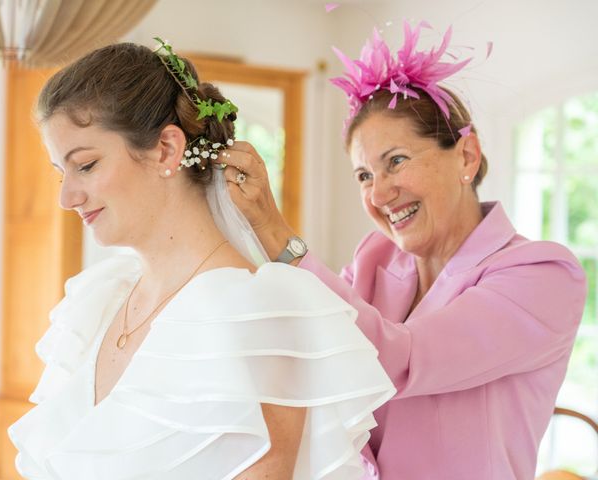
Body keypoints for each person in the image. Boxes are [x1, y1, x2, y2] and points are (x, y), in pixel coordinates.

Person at [7, 40, 396, 480]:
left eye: (87, 165)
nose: (66, 197)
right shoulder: (96, 304)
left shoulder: (259, 314)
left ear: (167, 149)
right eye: (61, 172)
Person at [219, 21, 588, 480]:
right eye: (363, 176)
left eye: (395, 161)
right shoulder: (374, 257)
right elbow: (312, 359)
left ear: (466, 156)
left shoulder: (543, 275)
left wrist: (275, 232)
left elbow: (397, 358)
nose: (377, 195)